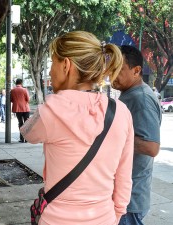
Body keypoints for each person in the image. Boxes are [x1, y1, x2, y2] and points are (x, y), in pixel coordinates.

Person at [20, 31, 134, 224]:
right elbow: (124, 176)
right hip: (104, 218)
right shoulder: (121, 112)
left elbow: (27, 133)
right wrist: (115, 215)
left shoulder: (51, 110)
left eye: (52, 63)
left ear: (66, 65)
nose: (50, 72)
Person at [112, 45, 162, 225]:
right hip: (125, 195)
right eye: (111, 68)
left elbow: (151, 147)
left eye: (119, 69)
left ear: (136, 71)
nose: (113, 73)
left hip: (130, 199)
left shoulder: (140, 97)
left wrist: (110, 136)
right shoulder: (130, 94)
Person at [10, 78, 30, 143]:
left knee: (20, 123)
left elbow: (11, 99)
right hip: (25, 108)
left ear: (16, 83)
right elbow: (28, 99)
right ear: (21, 83)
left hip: (18, 109)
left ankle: (21, 138)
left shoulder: (12, 90)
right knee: (26, 123)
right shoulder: (24, 90)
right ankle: (26, 139)